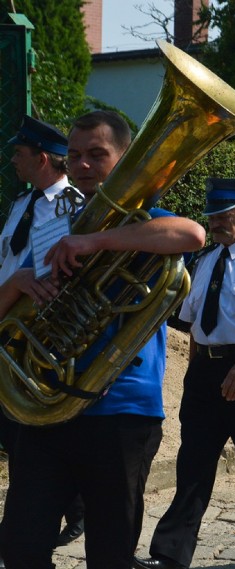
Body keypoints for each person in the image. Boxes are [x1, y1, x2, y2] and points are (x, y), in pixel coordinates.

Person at [0, 110, 206, 569]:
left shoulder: (147, 218)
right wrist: (19, 284)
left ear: (124, 157)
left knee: (111, 554)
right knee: (20, 548)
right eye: (74, 155)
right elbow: (23, 309)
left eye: (97, 154)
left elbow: (192, 234)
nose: (83, 165)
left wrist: (96, 243)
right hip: (48, 407)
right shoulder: (57, 219)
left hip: (120, 411)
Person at [134, 179, 235, 569]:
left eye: (225, 217)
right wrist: (197, 372)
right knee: (193, 460)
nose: (216, 225)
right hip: (206, 368)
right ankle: (170, 553)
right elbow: (195, 324)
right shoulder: (206, 259)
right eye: (212, 218)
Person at [0, 116, 87, 550]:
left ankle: (54, 516)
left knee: (28, 435)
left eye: (20, 152)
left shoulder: (73, 204)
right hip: (9, 325)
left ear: (43, 157)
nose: (12, 158)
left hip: (40, 333)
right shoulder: (22, 202)